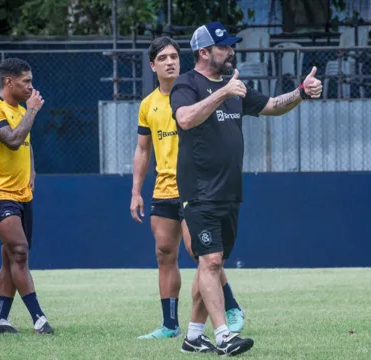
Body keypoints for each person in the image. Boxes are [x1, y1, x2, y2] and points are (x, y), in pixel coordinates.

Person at [170, 22, 322, 356]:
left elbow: (271, 106)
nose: (231, 51)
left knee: (213, 264)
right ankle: (224, 336)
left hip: (229, 192)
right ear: (204, 52)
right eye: (223, 47)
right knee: (210, 261)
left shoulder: (233, 85)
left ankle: (194, 337)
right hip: (199, 192)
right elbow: (184, 119)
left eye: (229, 46)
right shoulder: (187, 84)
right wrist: (223, 93)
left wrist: (300, 92)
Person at [130, 36, 245, 341]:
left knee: (203, 253)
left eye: (174, 56)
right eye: (163, 58)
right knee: (164, 252)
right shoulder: (148, 105)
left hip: (193, 189)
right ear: (153, 65)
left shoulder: (193, 91)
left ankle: (231, 307)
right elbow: (143, 150)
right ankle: (170, 325)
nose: (170, 62)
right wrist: (135, 192)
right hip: (163, 190)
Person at [0, 58, 54, 334]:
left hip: (22, 194)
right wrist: (31, 112)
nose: (31, 87)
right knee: (20, 252)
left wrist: (31, 170)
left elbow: (26, 144)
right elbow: (13, 139)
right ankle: (39, 318)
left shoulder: (21, 109)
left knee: (11, 256)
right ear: (9, 82)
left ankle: (1, 320)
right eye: (26, 82)